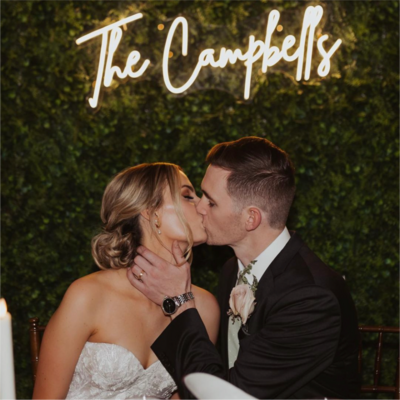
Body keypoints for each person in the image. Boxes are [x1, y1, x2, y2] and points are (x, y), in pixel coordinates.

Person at [127, 137, 360, 400]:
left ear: (251, 218)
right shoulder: (231, 270)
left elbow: (226, 396)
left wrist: (179, 302)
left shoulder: (309, 298)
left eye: (211, 202)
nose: (199, 207)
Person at [32, 163, 219, 400]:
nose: (203, 205)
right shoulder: (88, 296)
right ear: (150, 212)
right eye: (187, 196)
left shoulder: (204, 308)